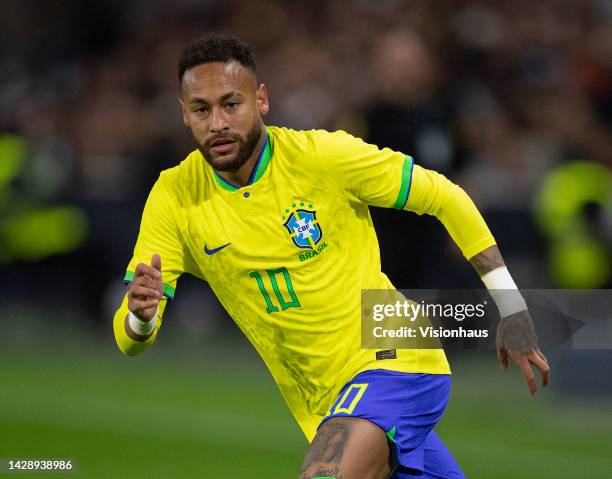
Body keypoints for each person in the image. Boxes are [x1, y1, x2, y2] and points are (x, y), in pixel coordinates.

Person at [113, 34, 550, 479]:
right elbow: (130, 340)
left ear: (260, 100)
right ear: (184, 113)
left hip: (393, 355)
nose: (218, 122)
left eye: (232, 104)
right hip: (327, 402)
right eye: (202, 109)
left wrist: (511, 307)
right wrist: (141, 316)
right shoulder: (174, 196)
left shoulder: (322, 158)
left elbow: (446, 196)